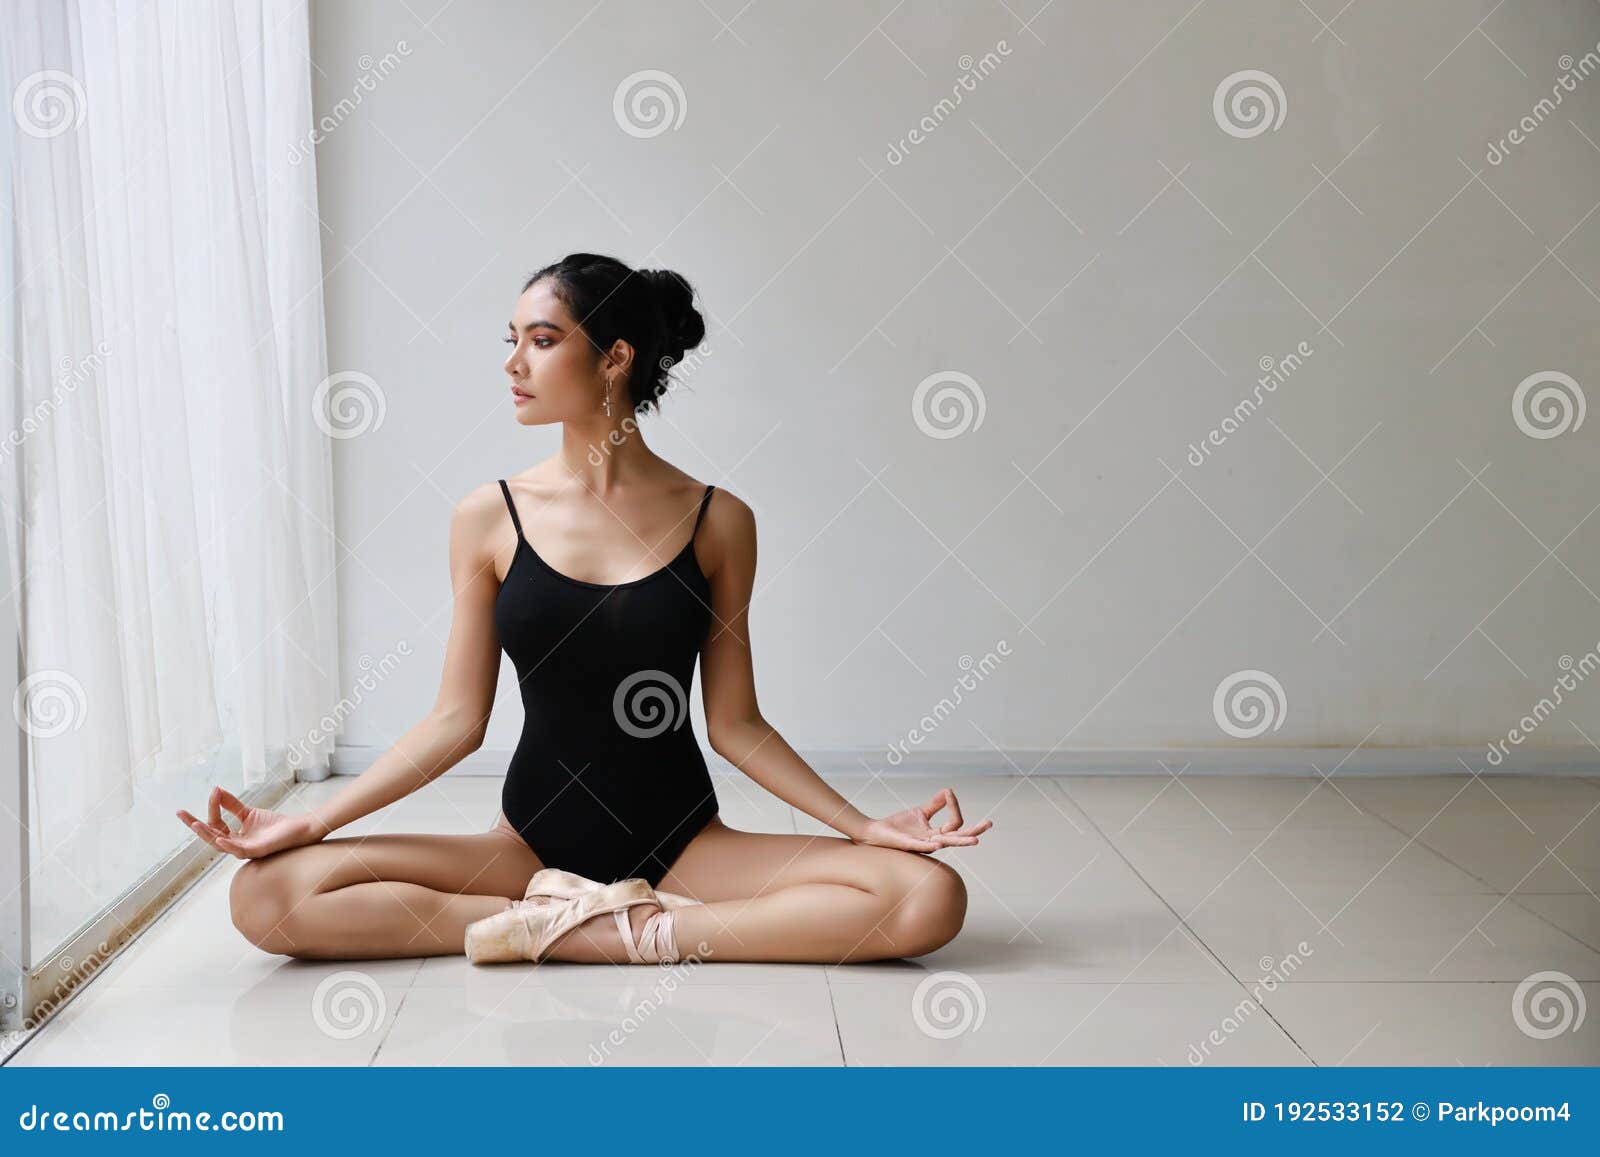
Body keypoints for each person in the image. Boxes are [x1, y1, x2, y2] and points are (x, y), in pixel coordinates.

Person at [179, 252, 991, 967]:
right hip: (528, 842)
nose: (513, 363)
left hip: (685, 843)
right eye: (513, 339)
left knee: (926, 895)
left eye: (541, 338)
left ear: (616, 357)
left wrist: (863, 827)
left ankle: (601, 930)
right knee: (268, 895)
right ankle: (605, 927)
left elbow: (736, 722)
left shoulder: (720, 520)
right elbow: (456, 721)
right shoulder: (487, 516)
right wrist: (311, 823)